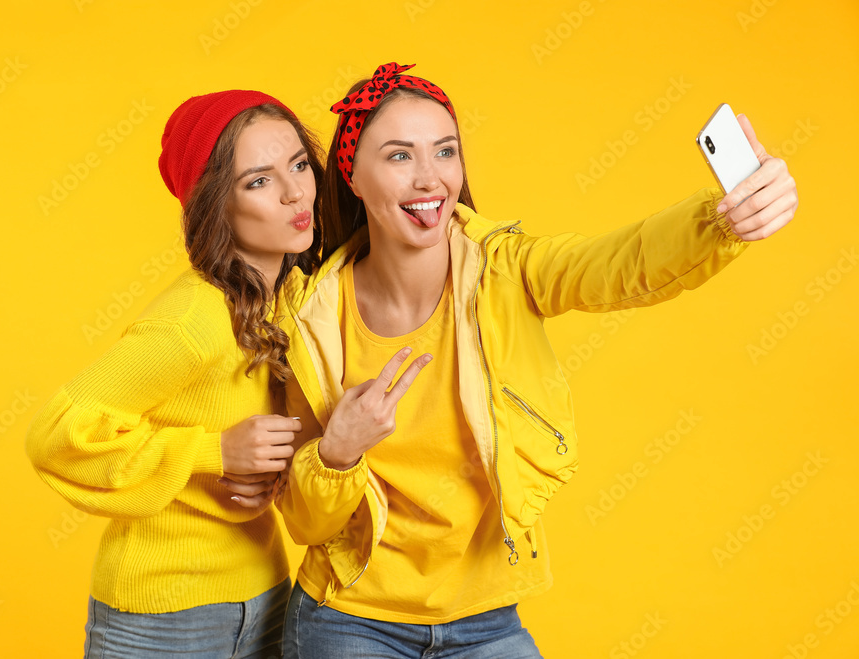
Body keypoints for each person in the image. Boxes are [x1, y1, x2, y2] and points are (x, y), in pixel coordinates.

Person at [272, 62, 798, 658]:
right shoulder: (311, 317)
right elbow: (307, 524)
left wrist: (721, 219)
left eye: (445, 151)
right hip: (348, 618)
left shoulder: (507, 271)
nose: (429, 178)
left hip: (487, 621)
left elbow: (620, 262)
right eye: (399, 156)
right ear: (353, 176)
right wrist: (338, 451)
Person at [25, 89, 325, 658]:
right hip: (161, 615)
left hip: (265, 593)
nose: (294, 193)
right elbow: (54, 437)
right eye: (259, 181)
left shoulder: (291, 296)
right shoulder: (194, 318)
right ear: (217, 205)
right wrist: (214, 453)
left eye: (299, 165)